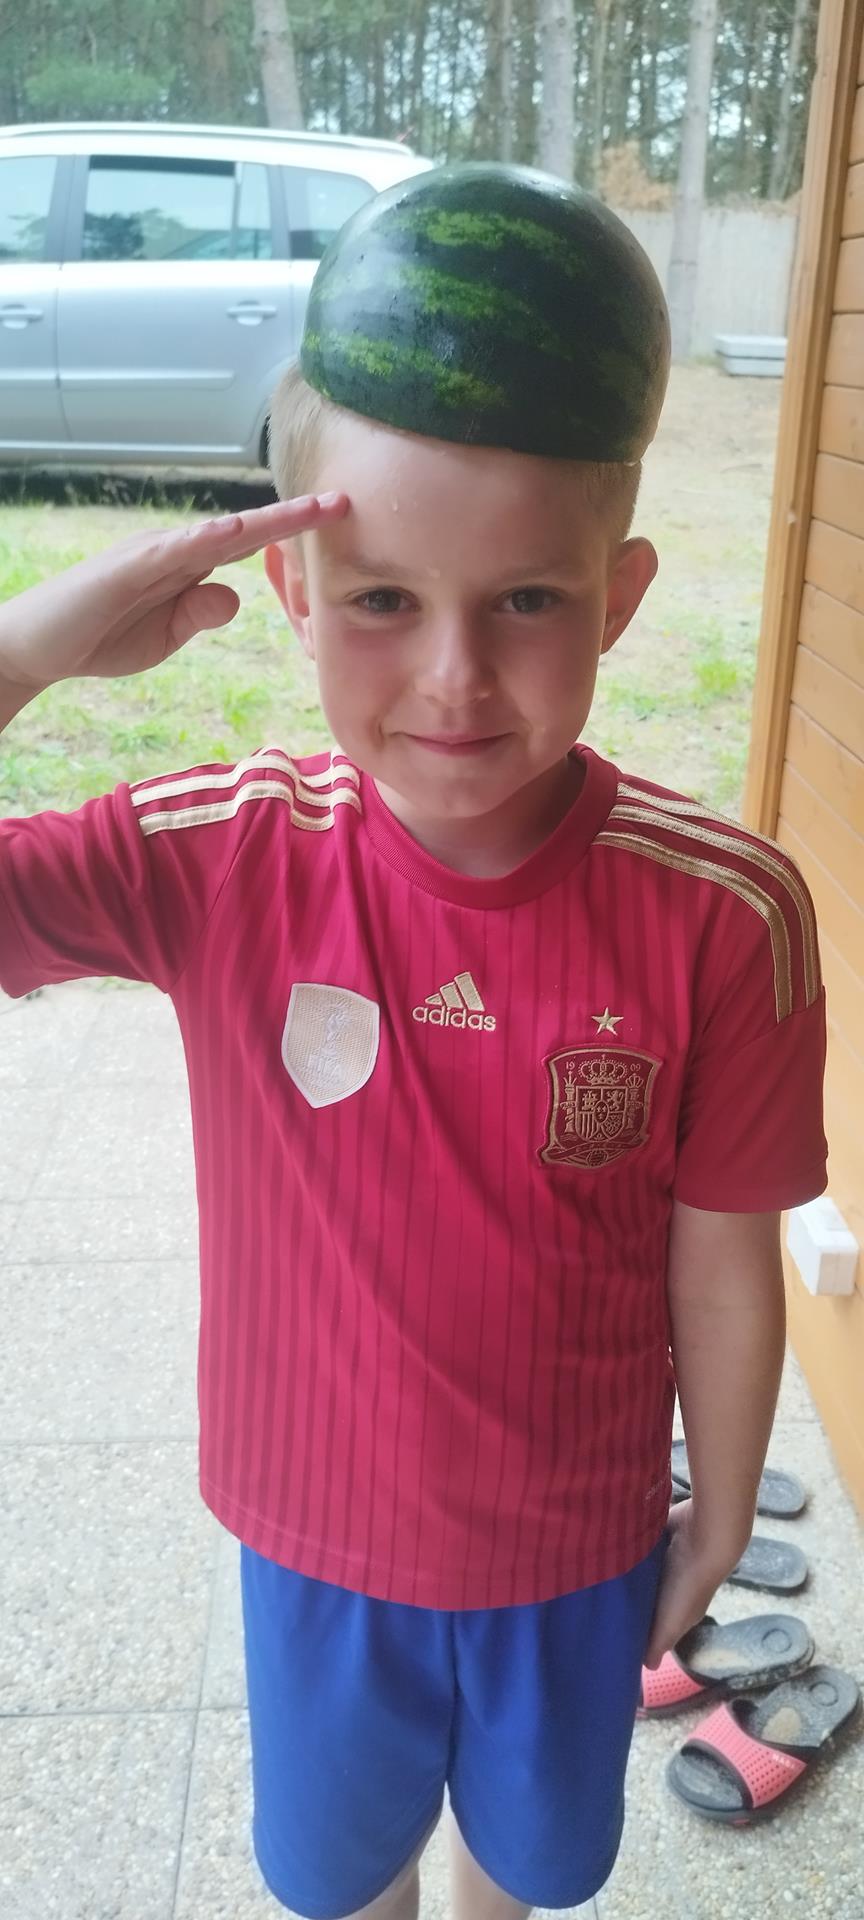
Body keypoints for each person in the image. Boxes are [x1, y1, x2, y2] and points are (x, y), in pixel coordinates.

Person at [0, 164, 827, 1920]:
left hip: (578, 1545)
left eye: (526, 600)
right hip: (313, 1537)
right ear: (293, 593)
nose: (454, 678)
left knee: (521, 1869)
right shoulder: (223, 854)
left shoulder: (726, 912)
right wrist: (31, 647)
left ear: (619, 596)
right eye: (381, 599)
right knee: (344, 1878)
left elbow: (723, 1253)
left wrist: (716, 1512)